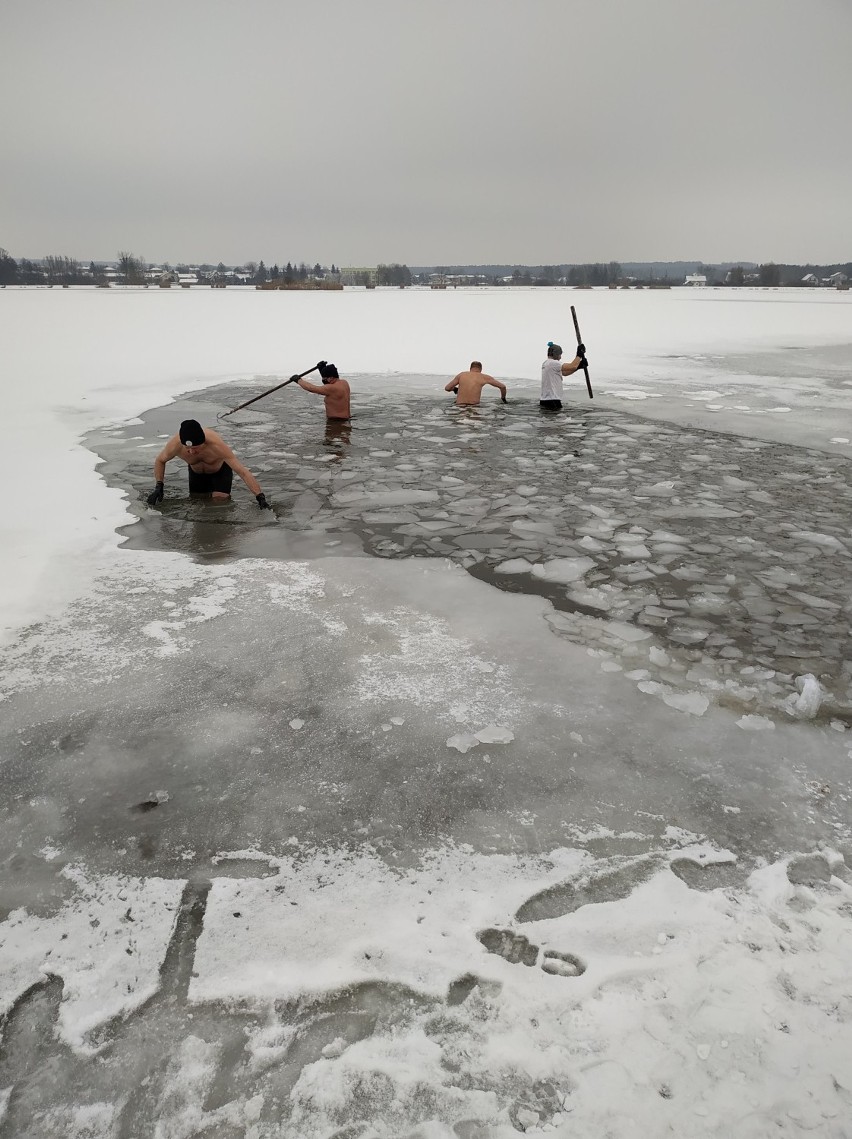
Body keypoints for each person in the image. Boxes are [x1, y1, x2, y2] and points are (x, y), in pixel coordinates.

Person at [146, 419, 271, 507]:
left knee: (219, 503)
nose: (191, 452)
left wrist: (260, 497)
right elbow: (160, 460)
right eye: (187, 448)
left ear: (203, 442)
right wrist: (159, 486)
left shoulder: (216, 445)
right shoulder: (175, 445)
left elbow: (242, 472)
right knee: (197, 503)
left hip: (220, 472)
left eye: (195, 448)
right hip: (196, 474)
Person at [540, 341, 587, 410]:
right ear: (555, 354)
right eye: (560, 355)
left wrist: (579, 366)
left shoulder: (547, 363)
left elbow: (564, 373)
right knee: (556, 420)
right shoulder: (553, 363)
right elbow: (572, 366)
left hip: (546, 399)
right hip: (553, 400)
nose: (560, 357)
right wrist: (579, 355)